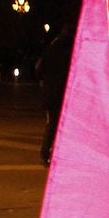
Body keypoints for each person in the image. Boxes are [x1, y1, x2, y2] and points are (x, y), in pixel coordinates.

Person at [37, 26, 74, 166]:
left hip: (51, 93)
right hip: (66, 92)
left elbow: (39, 70)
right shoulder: (72, 50)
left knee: (52, 124)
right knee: (65, 125)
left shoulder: (51, 49)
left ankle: (44, 154)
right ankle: (59, 154)